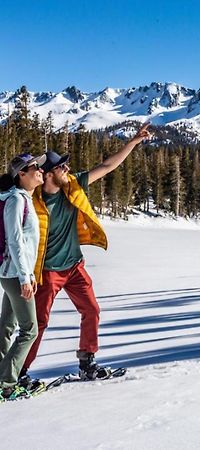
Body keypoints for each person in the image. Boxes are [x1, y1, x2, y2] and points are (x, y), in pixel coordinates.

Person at [21, 124, 152, 382]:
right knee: (39, 323)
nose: (66, 169)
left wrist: (134, 142)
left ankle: (87, 362)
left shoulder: (72, 185)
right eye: (61, 167)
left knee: (91, 310)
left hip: (73, 267)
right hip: (47, 272)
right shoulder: (31, 200)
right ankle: (19, 371)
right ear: (47, 175)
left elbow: (106, 166)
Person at [0, 153, 46, 401]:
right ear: (21, 174)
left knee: (7, 326)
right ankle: (6, 384)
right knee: (30, 330)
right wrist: (25, 276)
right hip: (14, 274)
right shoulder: (17, 200)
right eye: (34, 167)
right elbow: (15, 241)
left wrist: (27, 273)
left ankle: (3, 378)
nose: (40, 170)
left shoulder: (23, 198)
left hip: (13, 274)